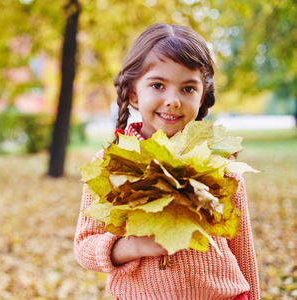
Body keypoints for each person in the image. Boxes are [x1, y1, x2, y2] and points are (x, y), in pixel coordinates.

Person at [74, 23, 260, 300]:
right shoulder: (110, 166)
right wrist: (133, 247)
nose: (172, 100)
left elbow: (242, 249)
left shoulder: (220, 166)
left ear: (202, 95)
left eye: (187, 88)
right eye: (158, 85)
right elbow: (85, 246)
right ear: (134, 93)